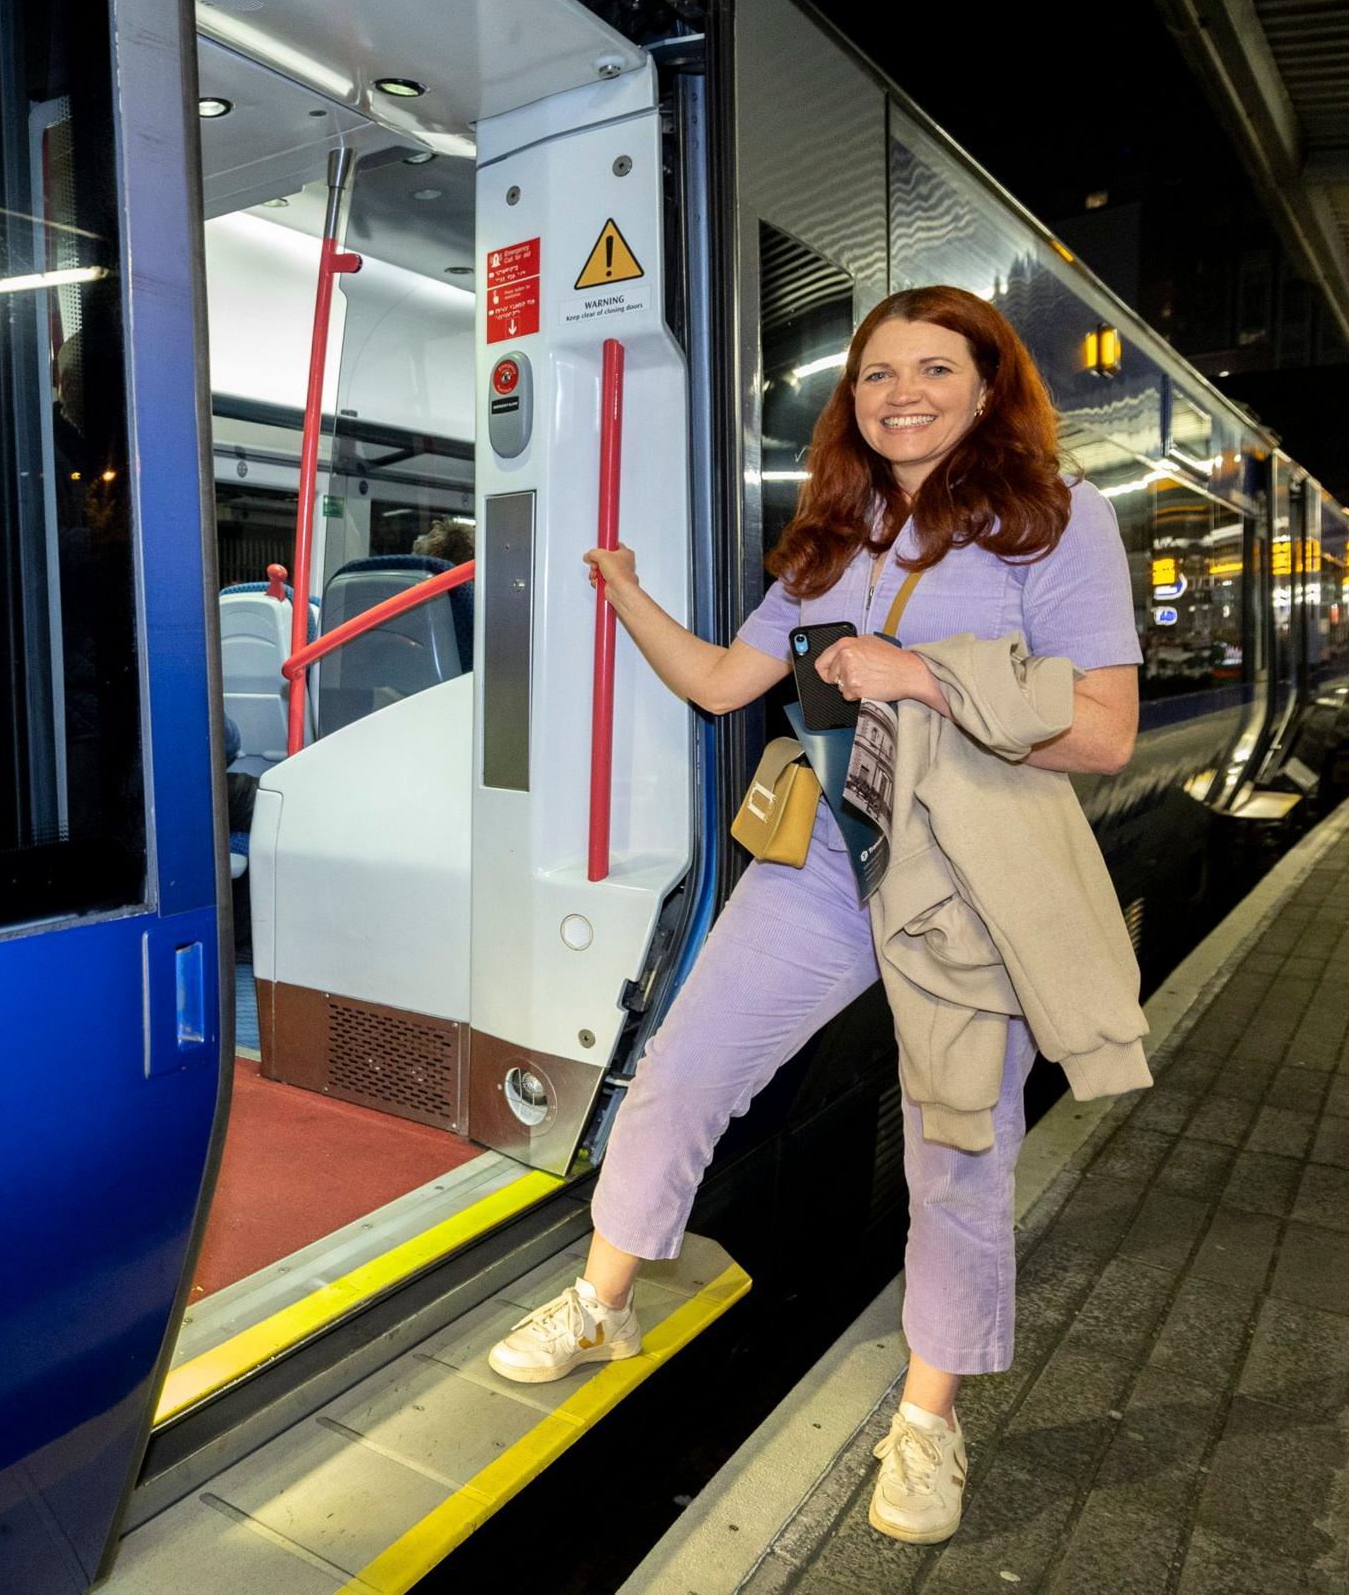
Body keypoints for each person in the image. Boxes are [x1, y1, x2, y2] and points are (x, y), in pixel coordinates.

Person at [486, 286, 1140, 1545]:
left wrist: (919, 676)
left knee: (957, 1146)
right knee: (681, 1070)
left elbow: (1103, 733)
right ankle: (604, 1300)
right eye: (877, 373)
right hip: (828, 858)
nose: (901, 393)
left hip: (970, 883)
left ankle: (929, 1416)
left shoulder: (1057, 524)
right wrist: (623, 594)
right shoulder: (835, 534)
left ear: (991, 382)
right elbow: (731, 679)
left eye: (933, 368)